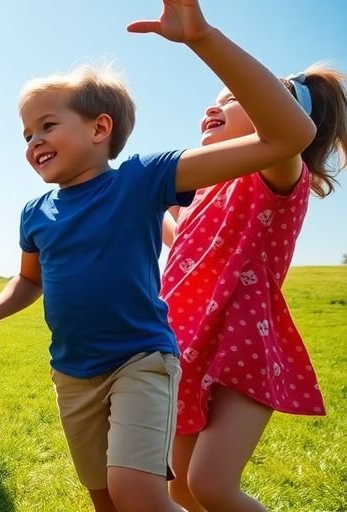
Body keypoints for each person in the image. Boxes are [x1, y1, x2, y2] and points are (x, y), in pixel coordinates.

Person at [0, 2, 316, 510]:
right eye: (27, 134)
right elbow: (29, 281)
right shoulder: (35, 212)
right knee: (108, 500)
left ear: (100, 129)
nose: (33, 142)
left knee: (139, 493)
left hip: (142, 359)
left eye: (47, 125)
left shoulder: (142, 178)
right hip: (72, 373)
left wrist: (201, 38)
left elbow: (288, 137)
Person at [161, 64, 346, 512]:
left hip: (242, 343)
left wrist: (201, 41)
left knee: (210, 485)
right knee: (179, 489)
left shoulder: (279, 172)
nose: (214, 106)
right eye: (216, 99)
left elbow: (282, 127)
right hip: (187, 344)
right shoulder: (204, 191)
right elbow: (180, 234)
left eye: (233, 98)